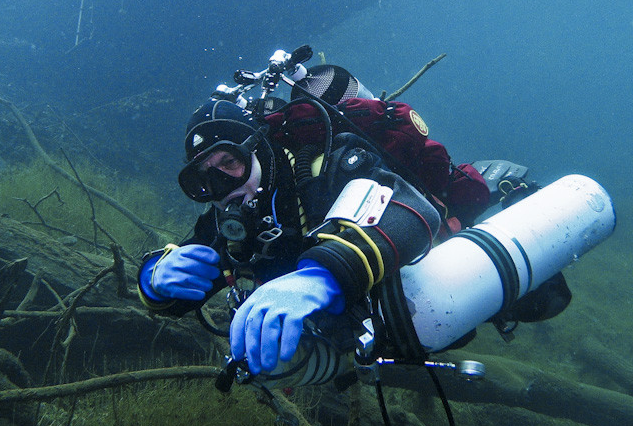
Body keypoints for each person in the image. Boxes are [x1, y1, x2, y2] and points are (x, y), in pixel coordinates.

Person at [137, 53, 564, 380]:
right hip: (358, 326)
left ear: (257, 150)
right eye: (204, 179)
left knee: (537, 301)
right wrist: (155, 278)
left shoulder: (329, 163)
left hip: (422, 267)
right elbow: (185, 283)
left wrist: (322, 275)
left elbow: (413, 212)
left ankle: (495, 185)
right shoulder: (230, 216)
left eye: (230, 163)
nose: (224, 187)